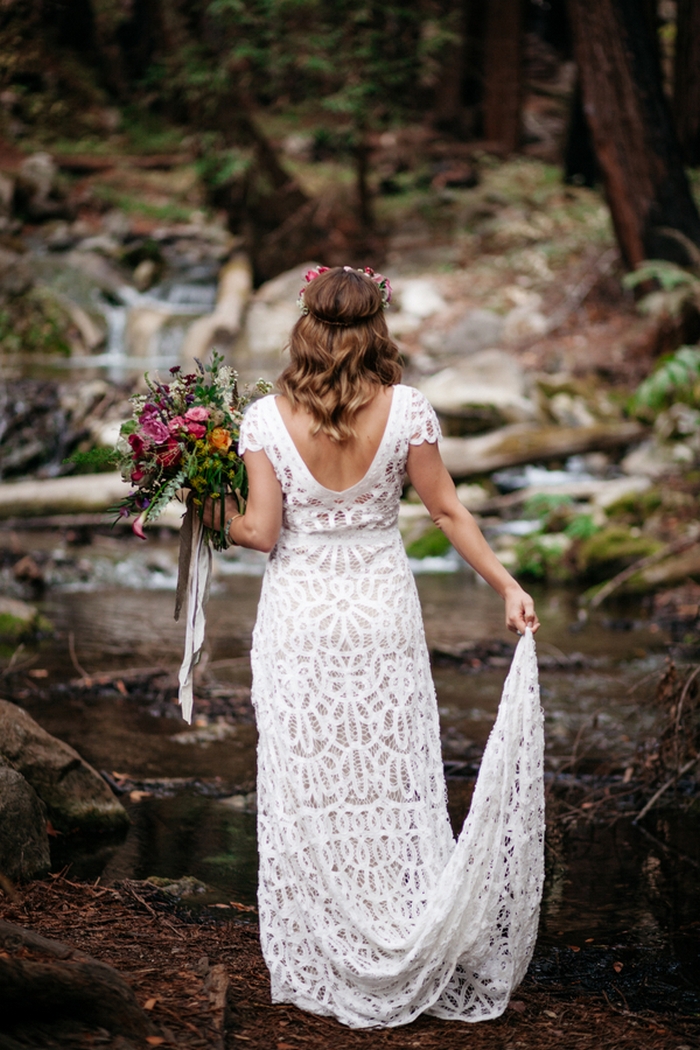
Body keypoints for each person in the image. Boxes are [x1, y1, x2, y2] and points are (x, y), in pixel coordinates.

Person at [203, 265, 543, 1029]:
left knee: (309, 784)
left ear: (305, 326)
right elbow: (450, 511)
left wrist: (202, 502)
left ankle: (331, 949)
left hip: (301, 622)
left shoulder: (264, 419)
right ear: (376, 326)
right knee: (392, 781)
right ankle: (405, 932)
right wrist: (507, 586)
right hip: (382, 617)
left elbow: (258, 533)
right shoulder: (409, 410)